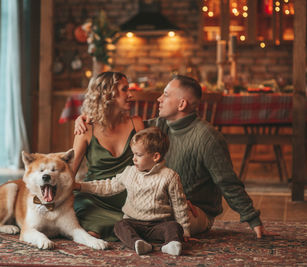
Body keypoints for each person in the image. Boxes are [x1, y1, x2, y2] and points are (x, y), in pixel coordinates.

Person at [75, 75, 275, 238]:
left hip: (194, 208)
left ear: (181, 104)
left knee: (154, 215)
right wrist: (84, 118)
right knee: (147, 212)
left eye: (165, 95)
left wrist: (252, 219)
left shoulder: (207, 138)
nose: (158, 99)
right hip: (168, 201)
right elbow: (119, 128)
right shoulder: (156, 126)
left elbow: (228, 183)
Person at [74, 127, 190, 256]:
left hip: (158, 225)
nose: (134, 159)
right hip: (133, 223)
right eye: (133, 154)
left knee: (174, 227)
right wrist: (80, 186)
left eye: (138, 155)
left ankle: (171, 244)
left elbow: (179, 204)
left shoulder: (169, 176)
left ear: (155, 156)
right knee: (120, 226)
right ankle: (138, 243)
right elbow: (108, 186)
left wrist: (184, 230)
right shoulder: (129, 172)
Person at [71, 71, 144, 241]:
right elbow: (69, 172)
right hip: (93, 198)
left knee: (132, 220)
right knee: (87, 216)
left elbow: (150, 167)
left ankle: (107, 229)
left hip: (128, 199)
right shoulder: (86, 130)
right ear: (107, 94)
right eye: (125, 90)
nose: (130, 95)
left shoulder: (137, 124)